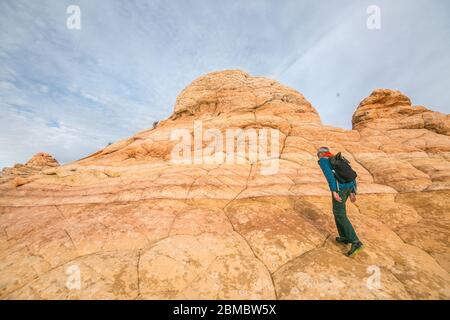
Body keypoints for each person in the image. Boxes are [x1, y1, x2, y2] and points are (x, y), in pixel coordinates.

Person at [317, 146, 364, 257]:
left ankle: (355, 242)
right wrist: (353, 191)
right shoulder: (338, 158)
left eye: (318, 155)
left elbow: (330, 177)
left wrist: (334, 191)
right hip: (348, 188)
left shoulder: (323, 161)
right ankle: (344, 237)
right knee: (338, 213)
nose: (317, 157)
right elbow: (352, 174)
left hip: (340, 190)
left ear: (321, 154)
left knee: (340, 214)